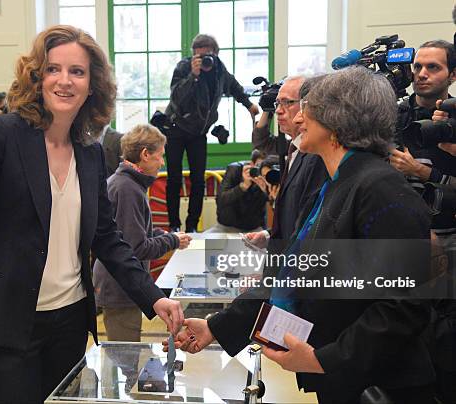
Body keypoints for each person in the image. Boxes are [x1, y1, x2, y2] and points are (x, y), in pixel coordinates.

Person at [0, 25, 184, 404]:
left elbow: (107, 237)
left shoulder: (90, 152)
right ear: (36, 77)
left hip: (69, 323)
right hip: (6, 324)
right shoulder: (1, 135)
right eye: (53, 69)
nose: (64, 81)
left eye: (77, 72)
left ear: (92, 84)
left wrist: (153, 298)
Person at [169, 67, 436, 404]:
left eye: (309, 108)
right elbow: (289, 273)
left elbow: (403, 305)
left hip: (381, 385)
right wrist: (216, 327)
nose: (298, 118)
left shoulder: (379, 187)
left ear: (338, 121)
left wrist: (324, 359)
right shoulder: (337, 183)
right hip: (344, 379)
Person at [93, 124, 191, 342]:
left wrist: (166, 235)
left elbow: (135, 231)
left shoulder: (127, 183)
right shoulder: (128, 189)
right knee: (125, 359)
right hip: (120, 288)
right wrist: (171, 240)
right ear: (145, 154)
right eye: (159, 156)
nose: (162, 162)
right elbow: (137, 248)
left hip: (120, 285)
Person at [163, 34, 259, 233]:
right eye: (199, 56)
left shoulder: (220, 70)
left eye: (207, 55)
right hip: (175, 128)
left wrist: (249, 104)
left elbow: (234, 87)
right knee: (174, 178)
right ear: (193, 56)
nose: (204, 59)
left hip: (198, 132)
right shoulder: (184, 67)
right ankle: (174, 225)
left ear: (215, 54)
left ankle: (191, 226)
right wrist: (193, 75)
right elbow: (176, 98)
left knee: (198, 180)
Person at [389, 40, 456, 252]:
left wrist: (419, 171)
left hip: (448, 235)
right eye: (417, 66)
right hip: (396, 231)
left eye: (433, 67)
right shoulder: (391, 115)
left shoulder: (454, 121)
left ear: (453, 75)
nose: (421, 74)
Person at [247, 76, 327, 248]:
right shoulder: (294, 146)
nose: (278, 111)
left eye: (287, 102)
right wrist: (268, 235)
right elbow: (293, 215)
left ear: (310, 106)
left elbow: (308, 225)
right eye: (277, 104)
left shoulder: (317, 155)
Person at [205, 152, 274, 233]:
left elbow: (277, 206)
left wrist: (266, 190)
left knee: (266, 243)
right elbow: (221, 200)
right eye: (259, 166)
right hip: (226, 226)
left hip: (253, 227)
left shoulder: (270, 177)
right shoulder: (235, 170)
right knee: (204, 243)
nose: (261, 172)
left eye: (264, 169)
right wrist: (243, 186)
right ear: (251, 164)